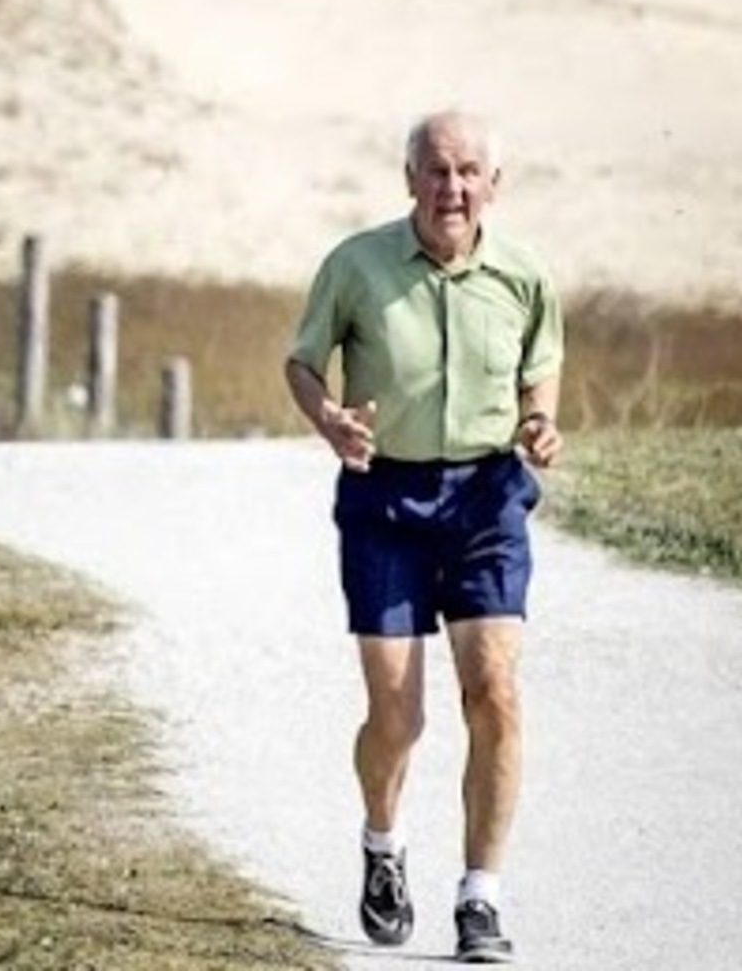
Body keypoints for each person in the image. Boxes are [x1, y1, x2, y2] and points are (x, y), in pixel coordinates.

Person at [284, 110, 563, 965]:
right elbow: (303, 361)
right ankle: (382, 844)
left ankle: (481, 897)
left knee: (497, 693)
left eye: (469, 171)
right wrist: (328, 418)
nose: (453, 188)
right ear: (410, 179)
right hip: (386, 504)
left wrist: (540, 421)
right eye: (436, 171)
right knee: (397, 716)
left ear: (493, 184)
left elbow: (540, 362)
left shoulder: (522, 273)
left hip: (485, 499)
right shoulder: (356, 265)